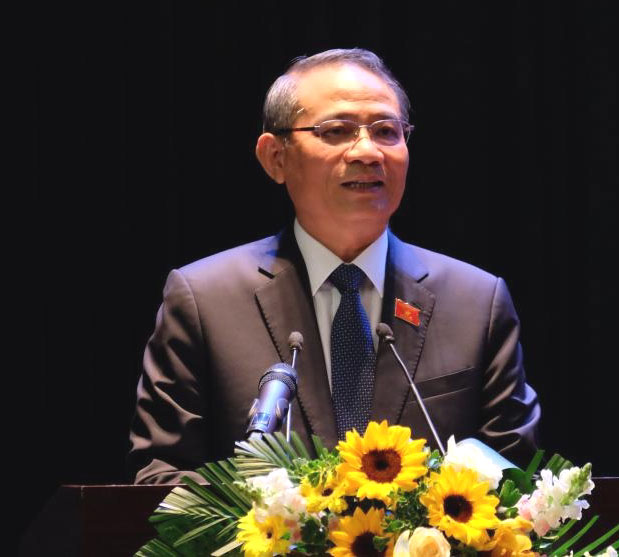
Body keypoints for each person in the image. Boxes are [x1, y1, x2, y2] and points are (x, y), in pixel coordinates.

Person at [128, 48, 540, 484]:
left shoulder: (476, 302)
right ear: (275, 157)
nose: (368, 152)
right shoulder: (205, 300)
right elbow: (159, 476)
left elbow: (518, 487)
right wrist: (275, 515)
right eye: (337, 131)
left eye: (386, 131)